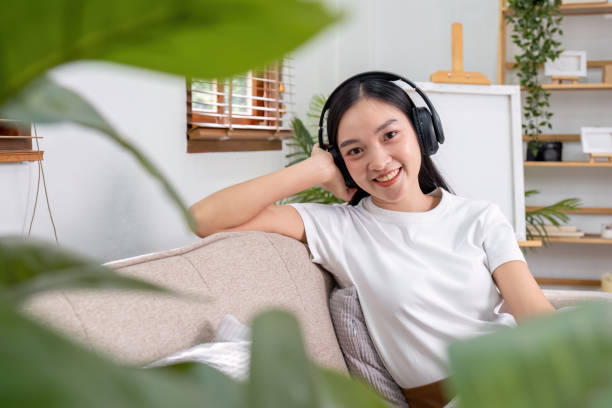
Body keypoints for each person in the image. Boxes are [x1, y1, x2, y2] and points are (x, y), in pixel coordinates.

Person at [189, 71, 555, 408]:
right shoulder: (336, 228)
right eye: (355, 151)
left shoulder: (480, 217)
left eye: (390, 135)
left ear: (422, 132)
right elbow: (203, 218)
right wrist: (313, 169)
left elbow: (537, 320)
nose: (378, 161)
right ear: (341, 162)